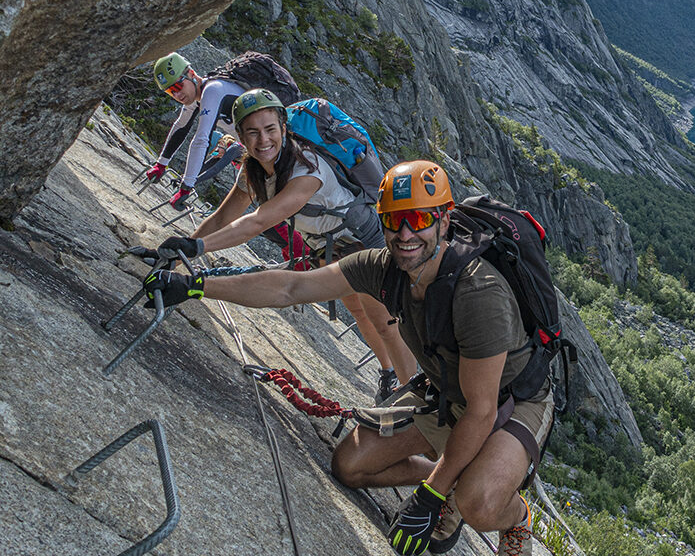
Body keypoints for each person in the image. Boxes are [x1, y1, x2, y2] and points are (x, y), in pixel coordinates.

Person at [144, 158, 552, 556]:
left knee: (478, 504)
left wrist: (429, 497)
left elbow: (481, 412)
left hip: (511, 402)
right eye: (394, 220)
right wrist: (196, 285)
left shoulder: (479, 293)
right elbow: (291, 289)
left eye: (421, 219)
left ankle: (515, 516)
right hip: (447, 391)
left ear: (444, 221)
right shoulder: (383, 267)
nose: (406, 233)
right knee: (351, 466)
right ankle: (454, 479)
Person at [153, 88, 416, 403]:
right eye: (253, 133)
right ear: (240, 135)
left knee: (384, 323)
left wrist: (195, 249)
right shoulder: (255, 171)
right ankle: (389, 375)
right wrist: (179, 253)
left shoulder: (308, 168)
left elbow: (257, 222)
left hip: (362, 241)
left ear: (283, 128)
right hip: (328, 245)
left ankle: (410, 398)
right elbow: (224, 217)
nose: (263, 140)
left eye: (270, 130)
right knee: (358, 310)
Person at [144, 52, 247, 209]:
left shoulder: (213, 90)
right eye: (170, 91)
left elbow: (201, 139)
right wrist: (161, 164)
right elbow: (181, 127)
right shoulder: (197, 97)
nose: (177, 95)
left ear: (191, 74)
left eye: (178, 86)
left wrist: (186, 188)